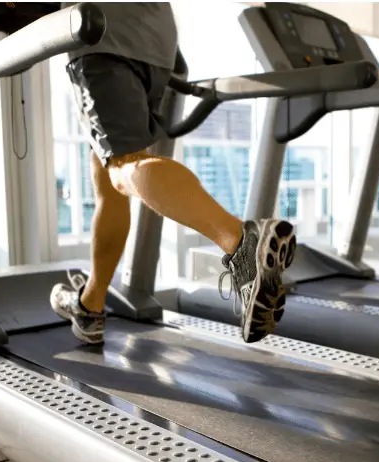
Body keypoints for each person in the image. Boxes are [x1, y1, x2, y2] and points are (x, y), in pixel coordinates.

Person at [49, 3, 296, 345]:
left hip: (102, 33)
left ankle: (242, 244)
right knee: (107, 176)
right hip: (156, 44)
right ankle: (90, 305)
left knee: (122, 168)